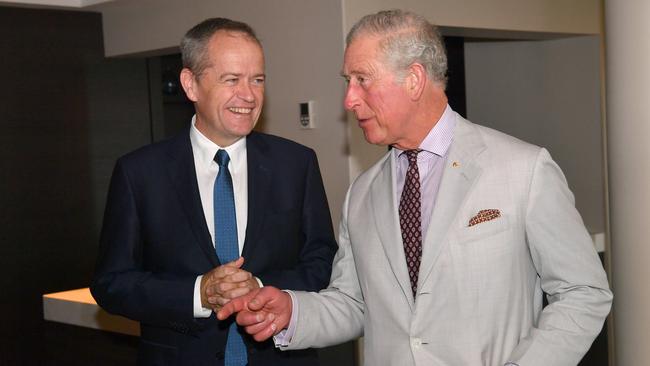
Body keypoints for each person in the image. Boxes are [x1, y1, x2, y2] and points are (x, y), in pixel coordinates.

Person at [217, 9, 613, 366]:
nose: (349, 99)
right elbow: (355, 303)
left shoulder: (523, 169)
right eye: (347, 81)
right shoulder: (362, 194)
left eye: (362, 80)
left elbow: (583, 292)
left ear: (414, 79)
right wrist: (292, 311)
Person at [90, 17, 337, 366]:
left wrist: (261, 286)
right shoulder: (140, 173)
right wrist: (199, 293)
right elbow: (111, 284)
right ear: (191, 85)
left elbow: (323, 263)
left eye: (258, 80)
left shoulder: (296, 164)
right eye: (232, 79)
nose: (249, 95)